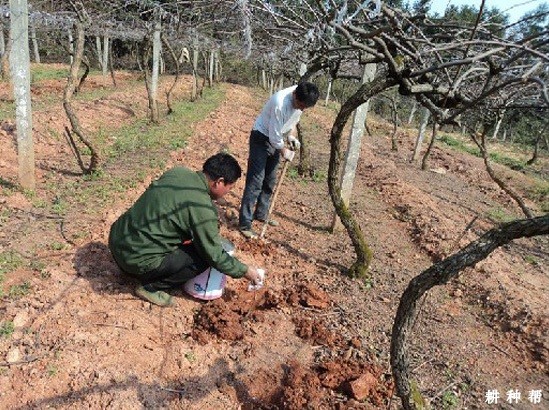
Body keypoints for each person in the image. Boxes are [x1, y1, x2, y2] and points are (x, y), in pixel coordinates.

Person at [109, 153, 263, 307]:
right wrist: (245, 271)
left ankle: (136, 266)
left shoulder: (177, 173)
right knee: (204, 257)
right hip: (135, 261)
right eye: (229, 188)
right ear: (219, 182)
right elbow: (215, 255)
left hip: (116, 241)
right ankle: (150, 287)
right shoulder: (203, 209)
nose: (227, 194)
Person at [238, 81, 319, 239]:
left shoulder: (301, 101)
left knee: (269, 180)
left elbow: (293, 122)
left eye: (305, 107)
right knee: (256, 181)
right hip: (261, 138)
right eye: (300, 105)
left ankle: (261, 214)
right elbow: (274, 137)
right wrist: (284, 151)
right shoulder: (279, 102)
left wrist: (291, 137)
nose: (302, 109)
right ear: (295, 95)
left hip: (277, 138)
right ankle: (244, 223)